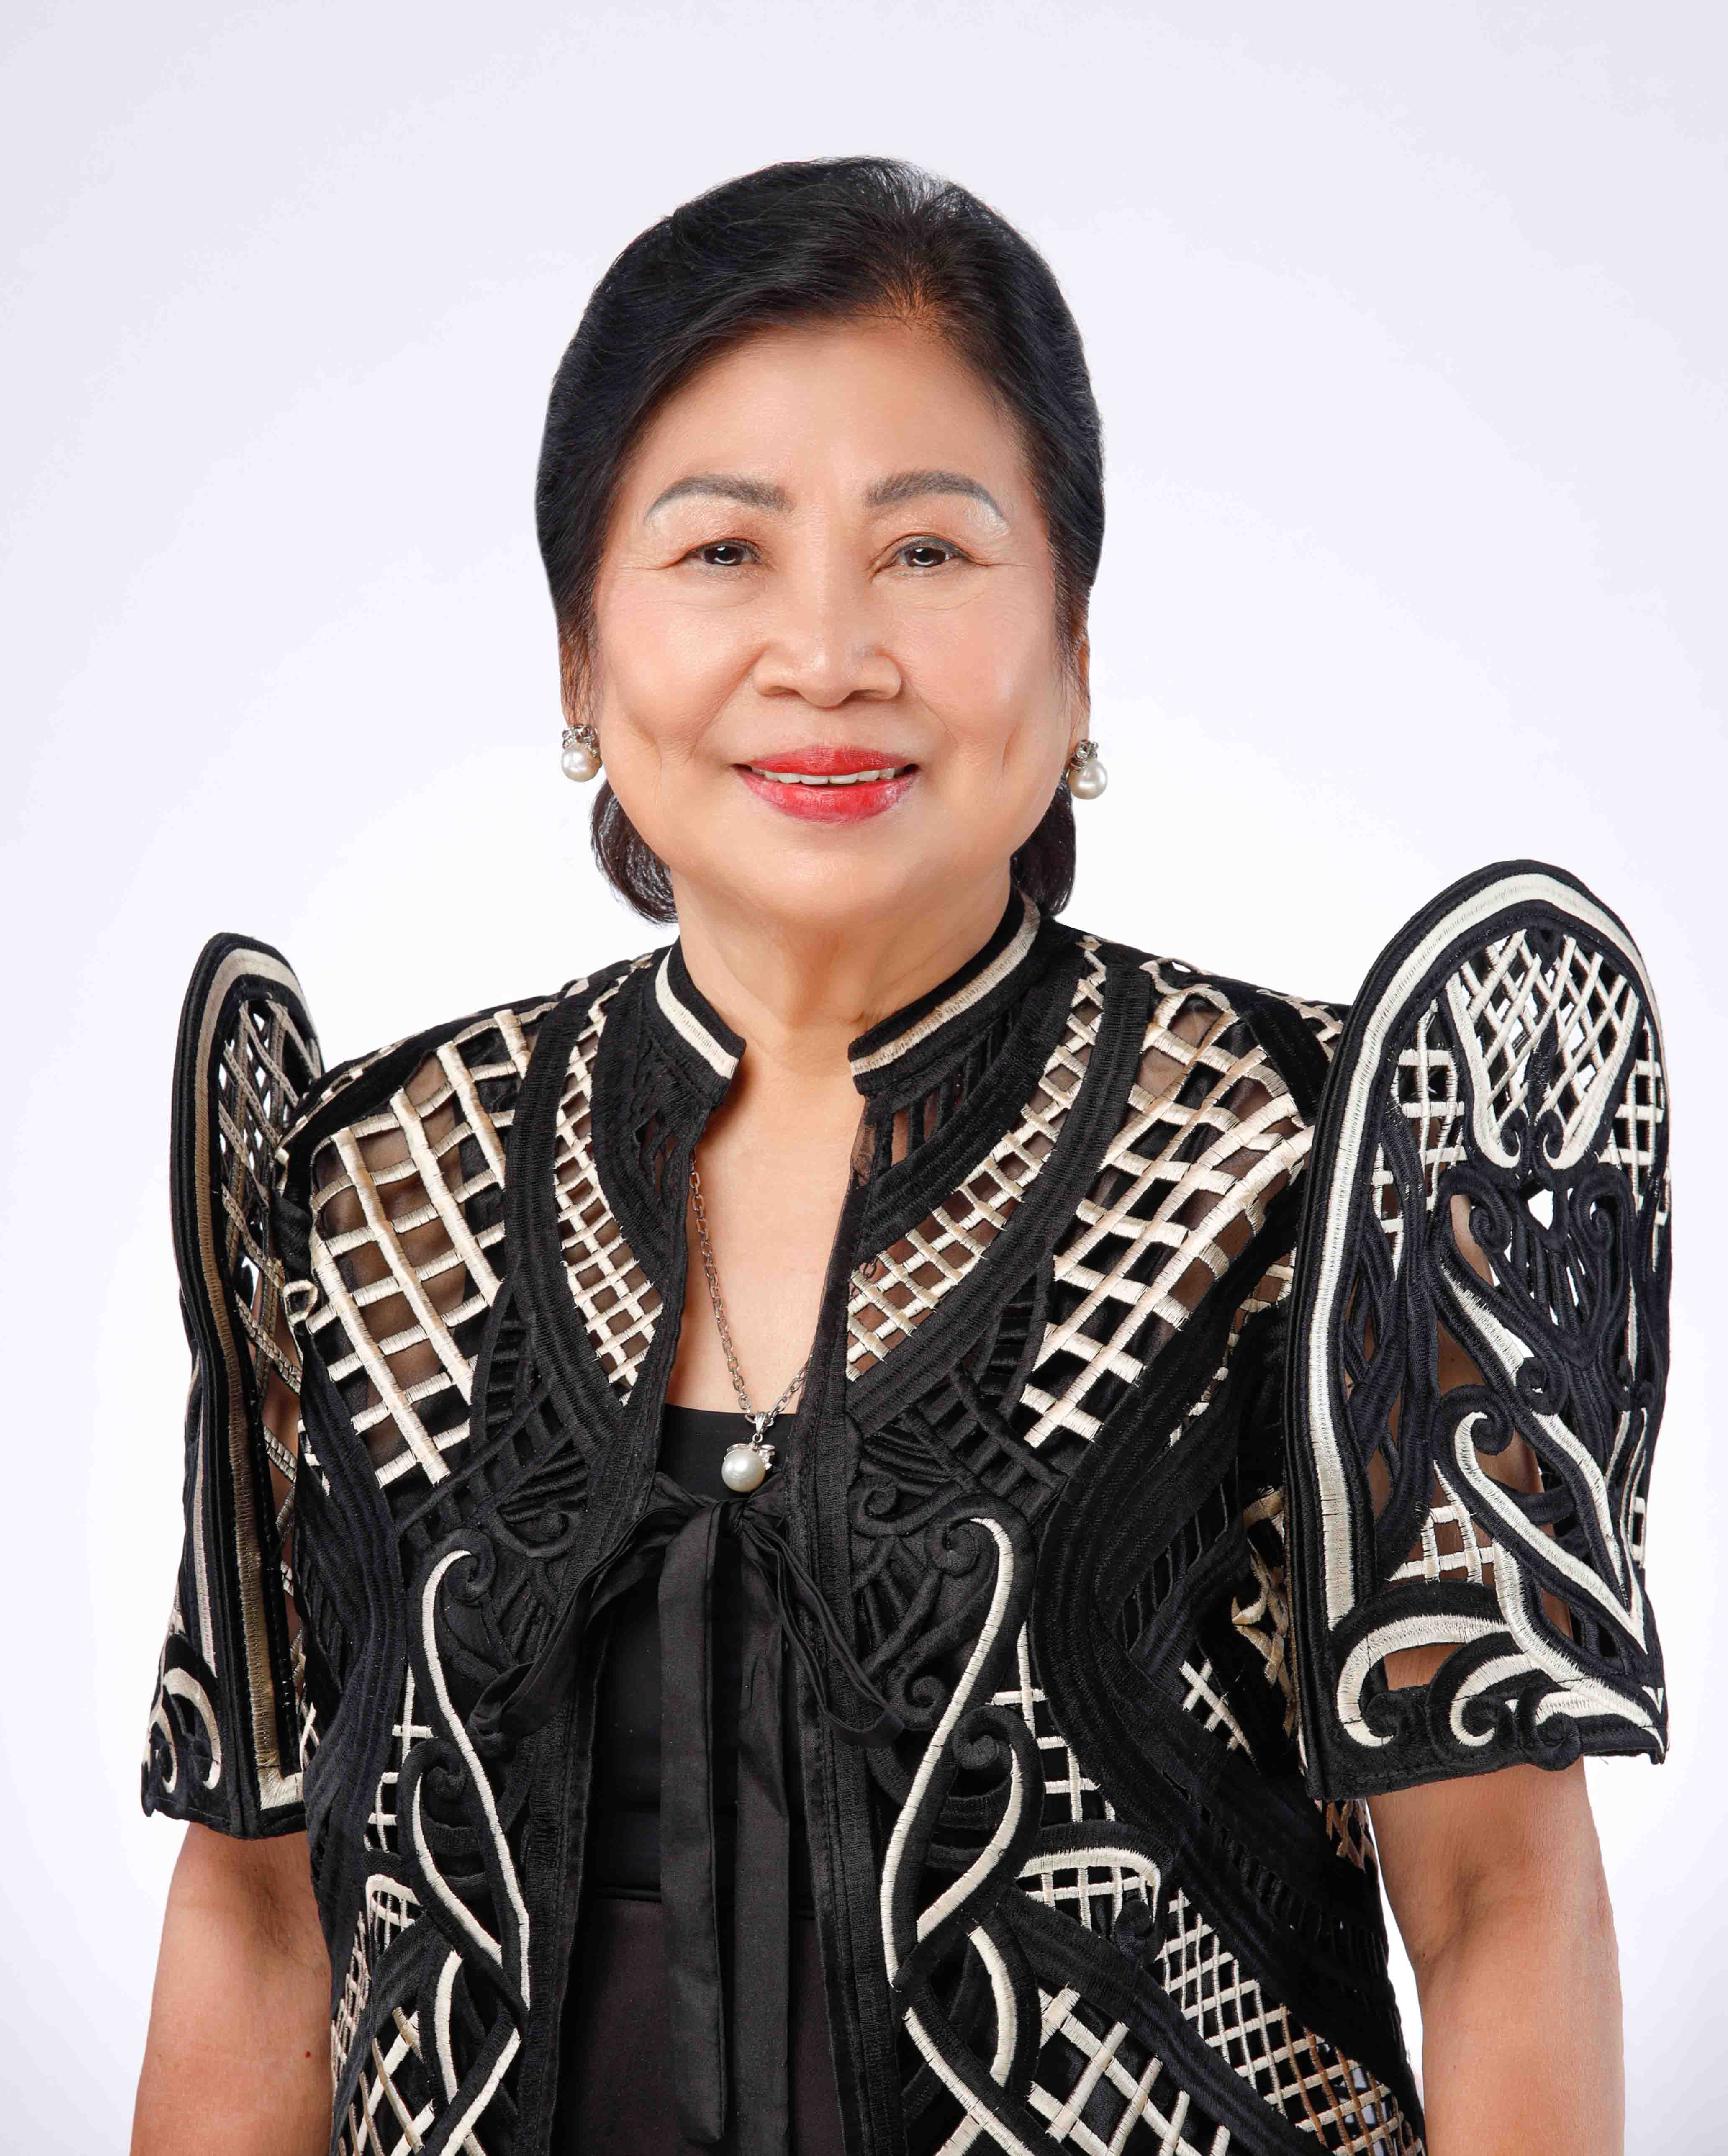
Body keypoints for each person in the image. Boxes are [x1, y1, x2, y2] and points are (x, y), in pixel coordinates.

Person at [131, 158, 1669, 2156]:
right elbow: (258, 1913)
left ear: (1077, 644)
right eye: (722, 552)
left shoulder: (1320, 1155)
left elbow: (1497, 1907)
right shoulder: (363, 1185)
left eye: (927, 552)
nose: (829, 652)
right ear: (581, 657)